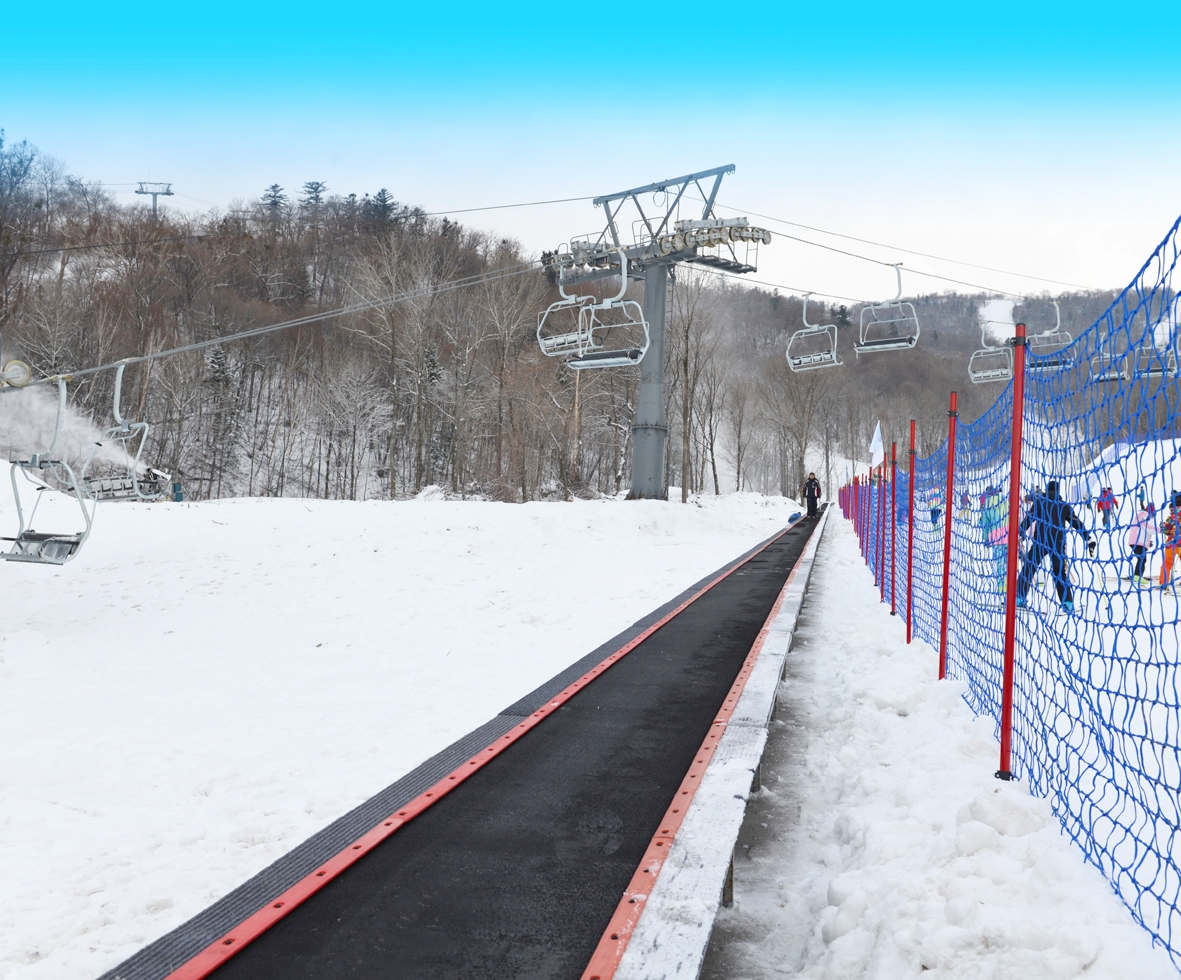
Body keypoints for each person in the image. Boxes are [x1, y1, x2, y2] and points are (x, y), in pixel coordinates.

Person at [1015, 480, 1095, 614]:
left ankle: (1018, 597)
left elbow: (1028, 519)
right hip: (1057, 543)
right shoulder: (1063, 505)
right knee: (1059, 573)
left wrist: (1020, 534)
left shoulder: (1040, 502)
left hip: (1041, 541)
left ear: (1046, 490)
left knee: (1029, 567)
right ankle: (1067, 603)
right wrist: (1088, 538)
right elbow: (1076, 523)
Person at [978, 485, 1009, 593]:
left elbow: (985, 524)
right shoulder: (1005, 500)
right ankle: (1008, 584)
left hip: (996, 537)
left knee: (1000, 563)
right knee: (1008, 562)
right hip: (1008, 535)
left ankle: (1002, 587)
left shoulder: (987, 503)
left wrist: (986, 539)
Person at [1127, 500, 1156, 586]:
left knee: (1141, 558)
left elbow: (1142, 531)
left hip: (1134, 541)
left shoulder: (1140, 517)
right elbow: (1149, 529)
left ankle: (1137, 575)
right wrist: (1161, 529)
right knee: (1142, 559)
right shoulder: (1146, 517)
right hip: (1139, 542)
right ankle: (1138, 576)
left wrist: (1148, 541)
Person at [1159, 494, 1181, 590]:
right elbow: (1167, 531)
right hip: (1177, 544)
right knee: (1167, 564)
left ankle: (1164, 583)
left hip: (1171, 544)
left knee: (1166, 564)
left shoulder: (1171, 518)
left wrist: (1163, 527)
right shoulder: (1171, 518)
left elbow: (1167, 531)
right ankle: (1164, 583)